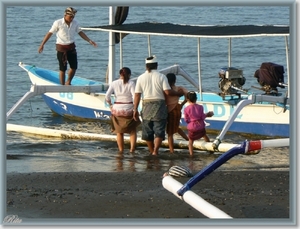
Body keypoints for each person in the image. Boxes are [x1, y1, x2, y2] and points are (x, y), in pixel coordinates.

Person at [133, 55, 184, 156]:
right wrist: (178, 94)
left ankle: (152, 151)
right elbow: (168, 92)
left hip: (146, 104)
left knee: (147, 131)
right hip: (159, 104)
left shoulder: (141, 78)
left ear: (146, 66)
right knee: (159, 130)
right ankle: (156, 151)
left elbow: (137, 95)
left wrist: (135, 109)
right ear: (156, 65)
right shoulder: (161, 76)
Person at [38, 7, 97, 85]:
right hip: (61, 48)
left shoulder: (75, 23)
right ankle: (62, 85)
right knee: (63, 69)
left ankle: (68, 81)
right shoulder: (58, 23)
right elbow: (50, 33)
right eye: (70, 17)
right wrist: (42, 44)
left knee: (74, 67)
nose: (72, 18)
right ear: (65, 15)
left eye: (73, 17)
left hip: (71, 47)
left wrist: (89, 41)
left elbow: (80, 32)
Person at [105, 67, 141, 154]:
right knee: (132, 130)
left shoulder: (114, 83)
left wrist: (110, 105)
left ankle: (121, 150)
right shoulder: (131, 83)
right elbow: (134, 96)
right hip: (128, 109)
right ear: (129, 75)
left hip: (117, 109)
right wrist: (135, 108)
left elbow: (107, 97)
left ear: (120, 74)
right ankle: (132, 149)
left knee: (119, 132)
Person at [184, 91, 214, 156]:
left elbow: (186, 120)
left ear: (187, 99)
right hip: (200, 126)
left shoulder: (186, 109)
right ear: (196, 98)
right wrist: (208, 114)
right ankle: (211, 150)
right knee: (204, 135)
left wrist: (191, 122)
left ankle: (191, 154)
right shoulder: (200, 107)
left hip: (192, 127)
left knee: (190, 141)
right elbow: (202, 117)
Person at [165, 73, 189, 153]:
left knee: (170, 132)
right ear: (175, 80)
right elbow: (188, 96)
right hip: (177, 108)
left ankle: (171, 150)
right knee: (176, 127)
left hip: (169, 110)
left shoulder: (166, 90)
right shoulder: (179, 89)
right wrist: (182, 104)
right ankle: (187, 139)